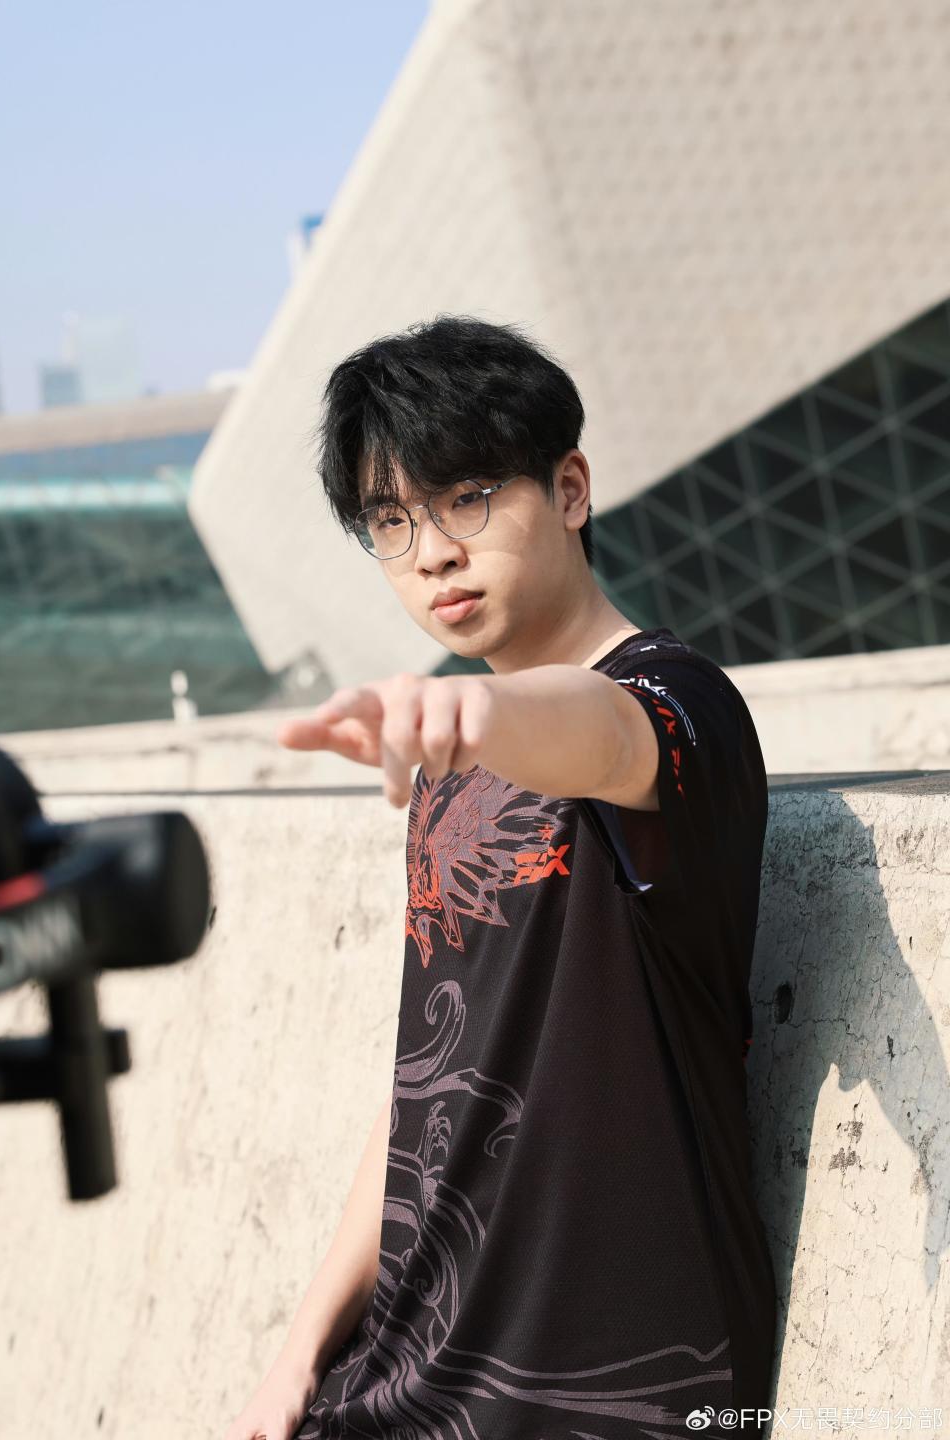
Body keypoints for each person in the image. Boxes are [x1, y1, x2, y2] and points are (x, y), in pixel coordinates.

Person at [221, 315, 777, 1440]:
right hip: (408, 1370)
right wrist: (300, 1350)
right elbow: (434, 1079)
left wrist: (476, 709)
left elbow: (605, 734)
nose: (432, 552)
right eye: (391, 520)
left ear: (570, 490)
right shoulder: (448, 766)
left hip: (612, 1384)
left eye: (468, 497)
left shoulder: (683, 703)